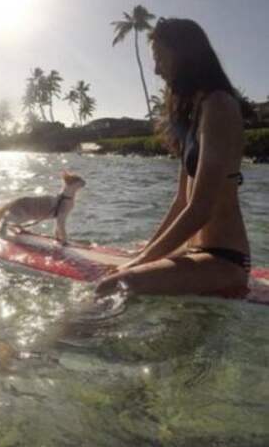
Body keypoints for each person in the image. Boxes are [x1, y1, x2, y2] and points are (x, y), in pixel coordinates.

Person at [96, 17, 250, 298]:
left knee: (111, 287)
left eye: (160, 57)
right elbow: (181, 201)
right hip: (195, 252)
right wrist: (144, 253)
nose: (156, 69)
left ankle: (39, 345)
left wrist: (137, 264)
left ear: (184, 54)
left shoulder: (219, 106)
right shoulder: (196, 113)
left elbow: (200, 209)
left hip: (224, 259)